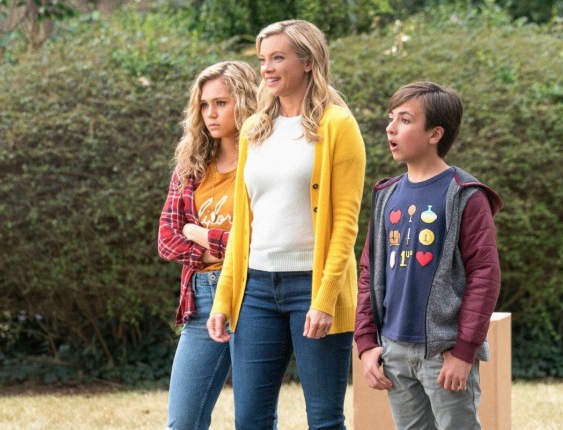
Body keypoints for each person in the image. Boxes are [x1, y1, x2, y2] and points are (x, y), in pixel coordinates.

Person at [207, 19, 366, 430]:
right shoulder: (254, 129)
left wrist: (325, 298)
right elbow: (243, 223)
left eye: (278, 58)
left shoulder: (338, 125)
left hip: (312, 285)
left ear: (308, 61)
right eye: (263, 59)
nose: (267, 68)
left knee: (325, 420)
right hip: (256, 290)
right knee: (250, 420)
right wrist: (225, 297)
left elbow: (345, 223)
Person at [354, 81, 503, 430]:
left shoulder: (465, 195)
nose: (391, 128)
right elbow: (369, 272)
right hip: (393, 349)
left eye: (405, 120)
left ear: (435, 133)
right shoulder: (386, 194)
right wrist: (366, 342)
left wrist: (464, 351)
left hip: (444, 352)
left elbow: (485, 275)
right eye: (391, 118)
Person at [157, 60, 258, 430]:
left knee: (255, 420)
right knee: (182, 422)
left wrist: (199, 233)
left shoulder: (263, 163)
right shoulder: (192, 166)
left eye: (221, 103)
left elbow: (261, 242)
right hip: (201, 298)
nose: (211, 113)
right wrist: (225, 247)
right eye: (204, 105)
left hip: (254, 295)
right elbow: (167, 240)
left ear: (244, 102)